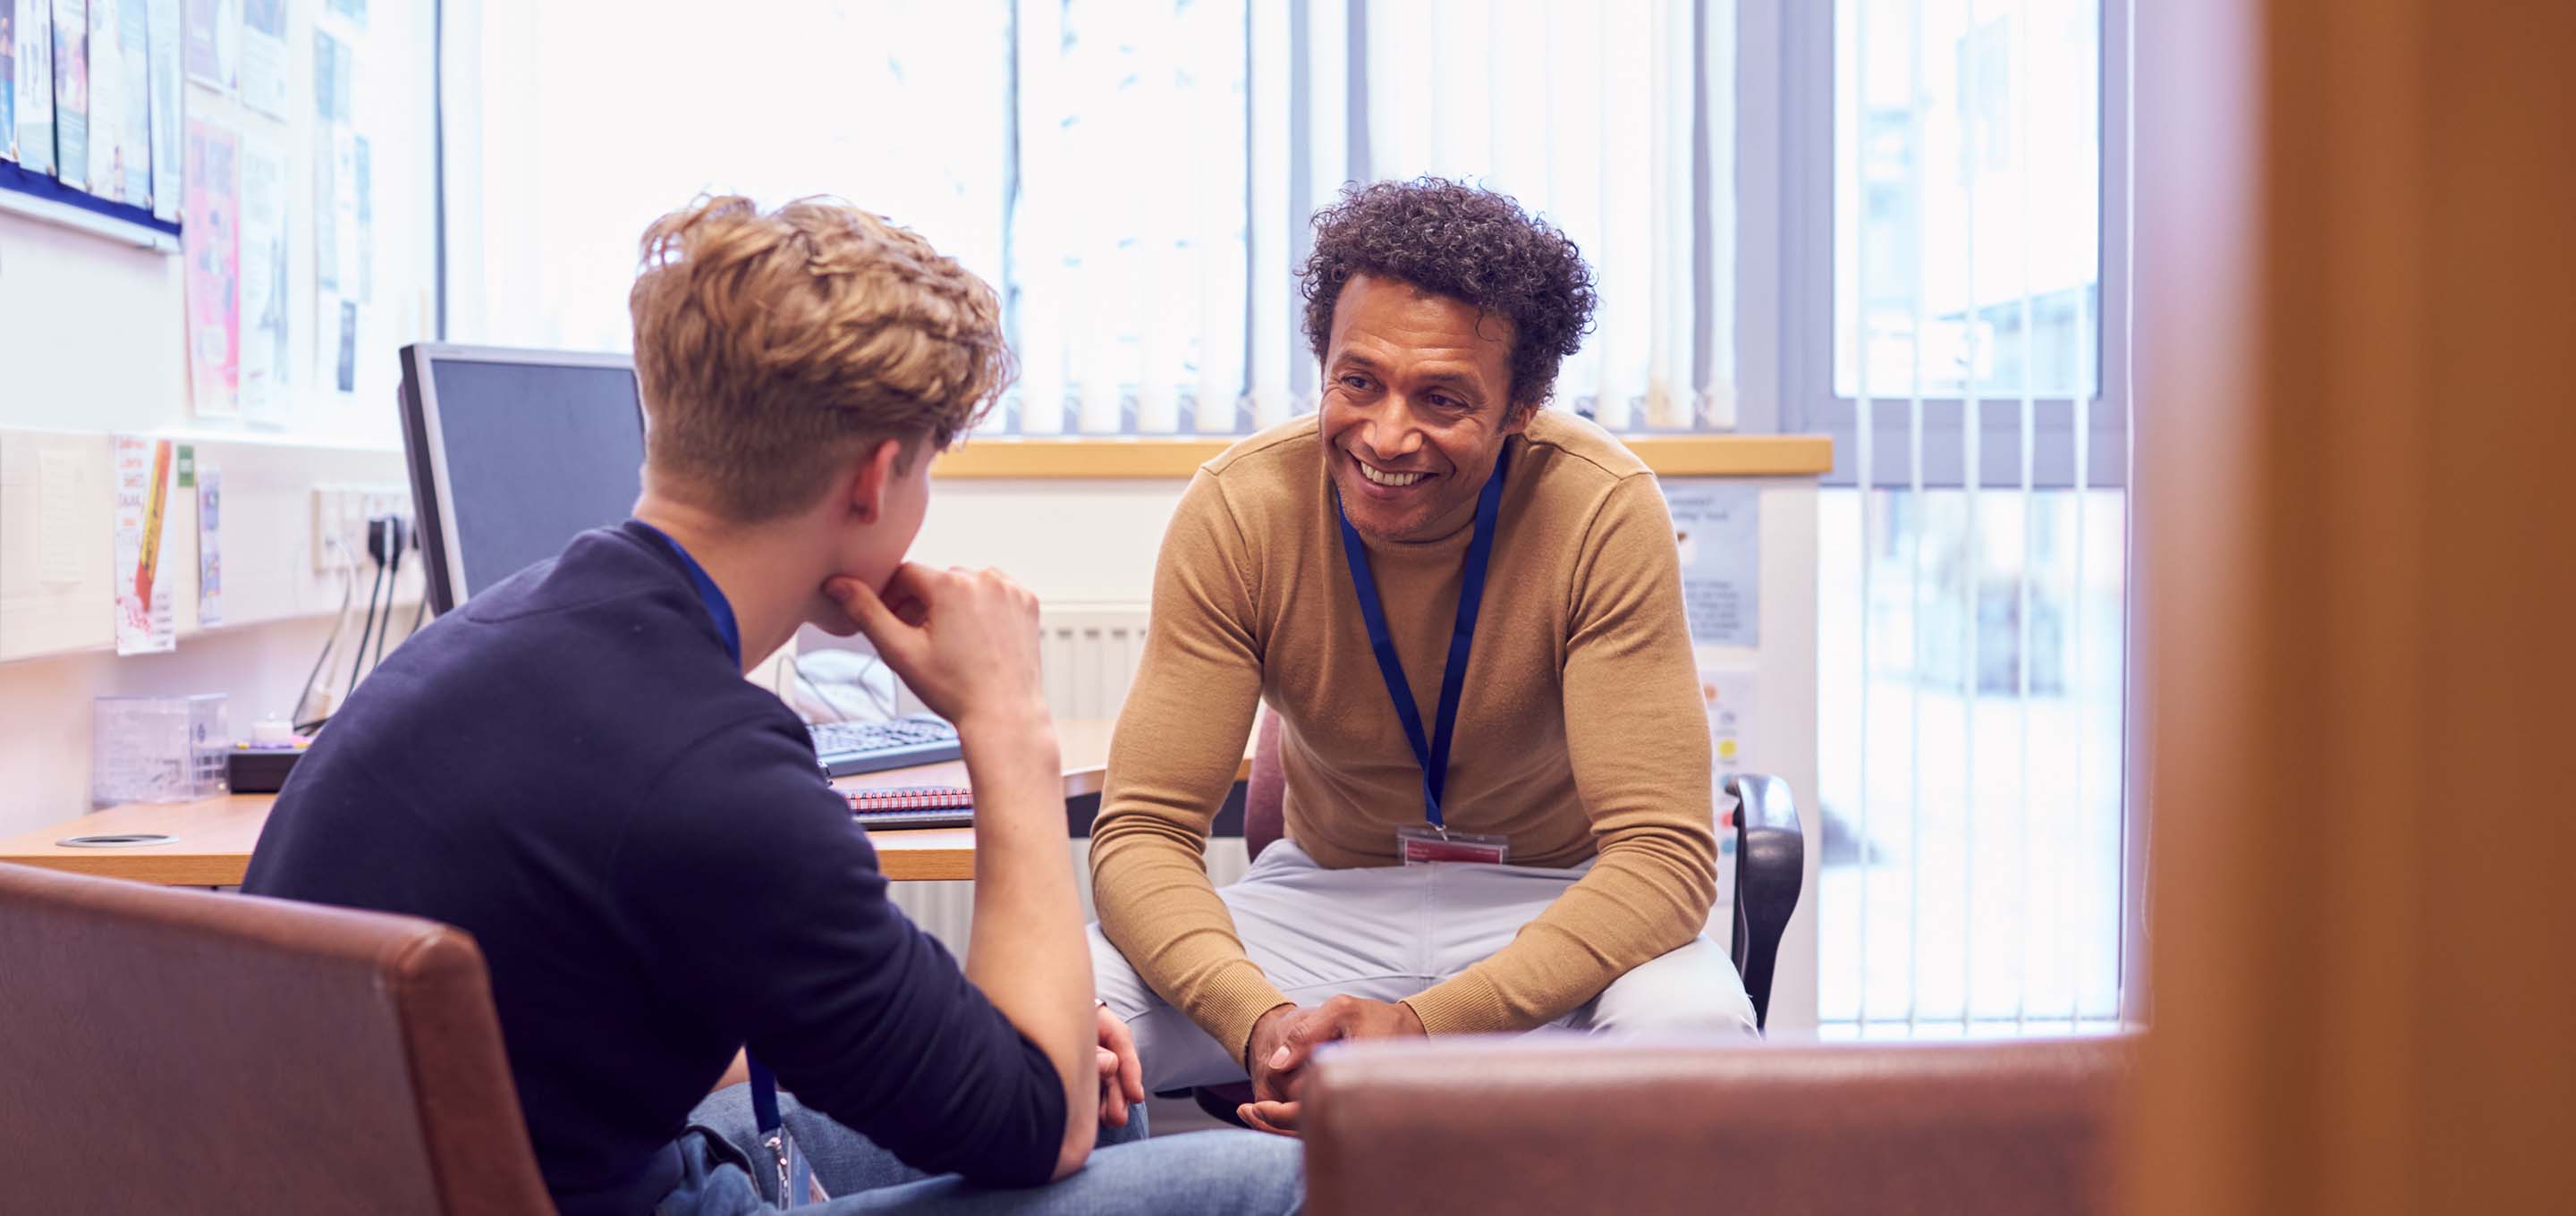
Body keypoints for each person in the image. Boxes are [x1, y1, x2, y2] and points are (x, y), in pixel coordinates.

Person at [242, 196, 1301, 1214]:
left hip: (494, 1174)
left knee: (1098, 1095)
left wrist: (1023, 1049)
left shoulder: (494, 635)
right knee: (1291, 1179)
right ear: (876, 479)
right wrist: (1007, 723)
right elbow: (1036, 1123)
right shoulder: (714, 771)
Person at [1088, 178, 1759, 1135]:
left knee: (1696, 1038)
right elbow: (1143, 835)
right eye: (1358, 380)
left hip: (1554, 904)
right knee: (1055, 1015)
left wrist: (1428, 1026)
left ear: (1521, 405)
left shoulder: (1602, 508)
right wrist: (1264, 1024)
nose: (1387, 434)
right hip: (1324, 905)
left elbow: (1661, 860)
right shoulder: (1241, 508)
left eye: (1442, 397)